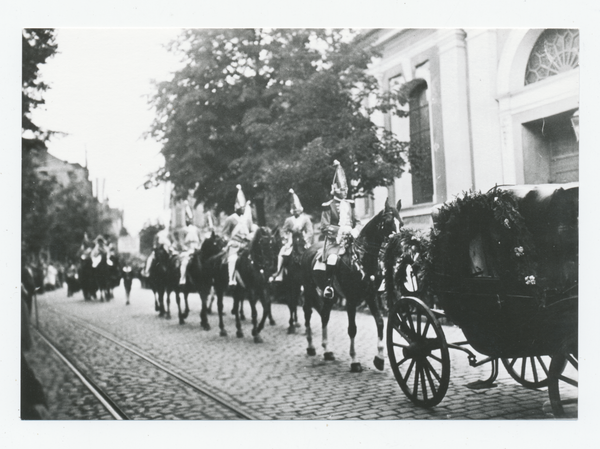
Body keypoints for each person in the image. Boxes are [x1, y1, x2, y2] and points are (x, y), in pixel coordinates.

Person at [320, 160, 358, 299]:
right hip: (334, 243)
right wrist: (341, 231)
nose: (344, 191)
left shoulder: (351, 204)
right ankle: (329, 286)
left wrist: (354, 230)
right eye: (341, 189)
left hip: (351, 241)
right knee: (332, 259)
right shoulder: (328, 206)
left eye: (345, 188)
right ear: (334, 189)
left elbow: (357, 222)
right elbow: (324, 227)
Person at [270, 188, 314, 283]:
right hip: (291, 240)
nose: (296, 211)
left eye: (297, 210)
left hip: (304, 240)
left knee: (313, 254)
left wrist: (306, 240)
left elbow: (310, 231)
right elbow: (283, 231)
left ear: (301, 209)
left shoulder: (306, 219)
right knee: (281, 253)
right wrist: (286, 240)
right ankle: (279, 274)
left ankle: (313, 275)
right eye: (294, 210)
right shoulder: (289, 220)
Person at [226, 195, 253, 287]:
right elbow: (225, 233)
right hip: (235, 245)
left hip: (246, 245)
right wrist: (229, 241)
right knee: (232, 259)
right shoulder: (230, 219)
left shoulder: (247, 220)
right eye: (240, 208)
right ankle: (231, 280)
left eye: (243, 208)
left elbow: (251, 231)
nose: (242, 210)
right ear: (236, 208)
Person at [177, 203, 202, 285]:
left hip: (197, 249)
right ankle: (182, 279)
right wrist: (185, 248)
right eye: (187, 218)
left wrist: (199, 247)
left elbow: (201, 240)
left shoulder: (197, 229)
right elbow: (181, 241)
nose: (189, 220)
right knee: (184, 263)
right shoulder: (183, 230)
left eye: (190, 219)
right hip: (187, 250)